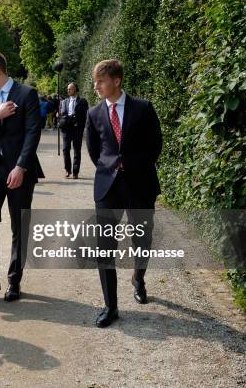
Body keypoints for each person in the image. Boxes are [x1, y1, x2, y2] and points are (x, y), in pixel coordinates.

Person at [85, 59, 162, 328]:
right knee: (104, 246)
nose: (96, 86)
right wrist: (111, 169)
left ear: (116, 81)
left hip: (140, 184)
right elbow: (95, 151)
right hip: (108, 187)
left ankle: (138, 278)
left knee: (142, 238)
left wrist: (132, 167)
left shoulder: (143, 108)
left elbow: (155, 146)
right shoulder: (94, 114)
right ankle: (110, 306)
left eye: (101, 81)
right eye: (95, 81)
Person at [0, 51, 44, 304]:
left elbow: (33, 133)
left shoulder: (27, 94)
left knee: (19, 226)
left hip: (20, 172)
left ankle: (14, 281)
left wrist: (21, 167)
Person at [59, 82, 89, 179]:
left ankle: (75, 172)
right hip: (66, 129)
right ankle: (68, 170)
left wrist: (84, 128)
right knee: (65, 149)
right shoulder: (64, 102)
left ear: (75, 89)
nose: (68, 90)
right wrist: (58, 114)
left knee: (77, 150)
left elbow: (86, 115)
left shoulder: (82, 101)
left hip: (77, 129)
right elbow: (61, 113)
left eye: (70, 89)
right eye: (68, 89)